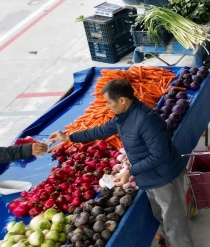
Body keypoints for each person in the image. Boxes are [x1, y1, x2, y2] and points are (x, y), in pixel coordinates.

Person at [49, 79, 193, 247]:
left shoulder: (147, 120)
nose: (108, 106)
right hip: (148, 178)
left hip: (165, 178)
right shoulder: (122, 116)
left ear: (122, 100)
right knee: (161, 216)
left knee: (175, 224)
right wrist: (68, 137)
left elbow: (159, 155)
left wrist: (129, 171)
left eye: (109, 102)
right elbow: (101, 131)